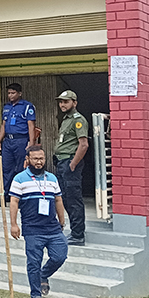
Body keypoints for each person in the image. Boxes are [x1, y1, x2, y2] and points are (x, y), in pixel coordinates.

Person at [9, 144, 68, 298]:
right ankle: (36, 295)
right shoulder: (19, 179)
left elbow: (58, 200)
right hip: (32, 228)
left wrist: (62, 221)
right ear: (28, 160)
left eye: (41, 158)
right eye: (35, 159)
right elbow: (14, 202)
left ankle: (43, 275)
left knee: (60, 256)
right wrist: (14, 225)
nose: (39, 162)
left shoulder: (52, 178)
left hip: (52, 227)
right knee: (33, 262)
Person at [54, 90, 89, 245]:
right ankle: (75, 230)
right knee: (65, 198)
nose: (62, 104)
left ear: (74, 103)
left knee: (73, 198)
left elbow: (83, 144)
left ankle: (78, 234)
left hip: (69, 162)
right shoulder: (66, 119)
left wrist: (73, 163)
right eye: (61, 102)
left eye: (66, 102)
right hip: (62, 162)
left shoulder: (78, 120)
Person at [0, 83, 36, 207]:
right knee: (5, 169)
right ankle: (3, 196)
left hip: (21, 140)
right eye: (9, 93)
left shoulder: (27, 106)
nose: (10, 95)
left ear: (20, 93)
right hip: (8, 141)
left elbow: (31, 126)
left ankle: (21, 198)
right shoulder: (6, 107)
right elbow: (3, 125)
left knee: (21, 169)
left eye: (13, 93)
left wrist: (32, 143)